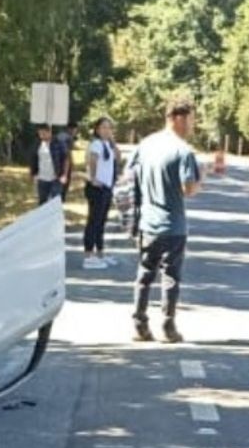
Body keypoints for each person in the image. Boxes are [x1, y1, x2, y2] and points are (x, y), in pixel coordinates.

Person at [126, 97, 202, 343]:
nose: (192, 125)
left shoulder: (146, 144)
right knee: (170, 276)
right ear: (178, 118)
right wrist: (200, 180)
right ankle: (168, 327)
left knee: (145, 273)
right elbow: (188, 189)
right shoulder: (183, 151)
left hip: (148, 222)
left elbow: (129, 175)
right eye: (191, 119)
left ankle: (139, 324)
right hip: (173, 224)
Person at [83, 117, 117, 269]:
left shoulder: (107, 144)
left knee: (101, 221)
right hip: (97, 187)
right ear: (97, 129)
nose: (106, 130)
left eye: (109, 128)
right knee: (94, 221)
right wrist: (94, 178)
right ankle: (89, 256)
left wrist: (112, 141)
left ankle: (100, 252)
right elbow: (93, 160)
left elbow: (118, 156)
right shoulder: (96, 143)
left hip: (106, 187)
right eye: (103, 128)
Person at [29, 124, 69, 205]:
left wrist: (64, 175)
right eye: (40, 134)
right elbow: (33, 158)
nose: (42, 136)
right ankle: (43, 217)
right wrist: (32, 173)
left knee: (55, 203)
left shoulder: (58, 142)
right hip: (42, 178)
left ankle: (55, 217)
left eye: (43, 133)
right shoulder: (37, 144)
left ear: (49, 132)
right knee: (42, 202)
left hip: (56, 178)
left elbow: (66, 159)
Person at [56, 122, 79, 202]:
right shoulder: (68, 138)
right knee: (64, 186)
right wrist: (72, 165)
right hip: (64, 165)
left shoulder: (59, 135)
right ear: (70, 129)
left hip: (56, 164)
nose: (75, 132)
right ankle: (60, 201)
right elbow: (68, 154)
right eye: (75, 130)